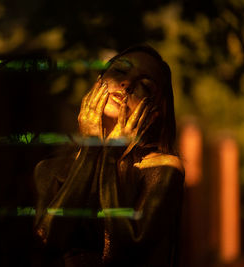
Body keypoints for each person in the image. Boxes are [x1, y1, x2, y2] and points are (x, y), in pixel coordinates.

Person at [33, 44, 185, 267]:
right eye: (120, 72)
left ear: (154, 113)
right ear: (98, 82)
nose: (126, 84)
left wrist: (112, 156)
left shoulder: (164, 168)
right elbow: (47, 243)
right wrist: (91, 150)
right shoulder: (49, 169)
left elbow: (128, 249)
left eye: (144, 85)